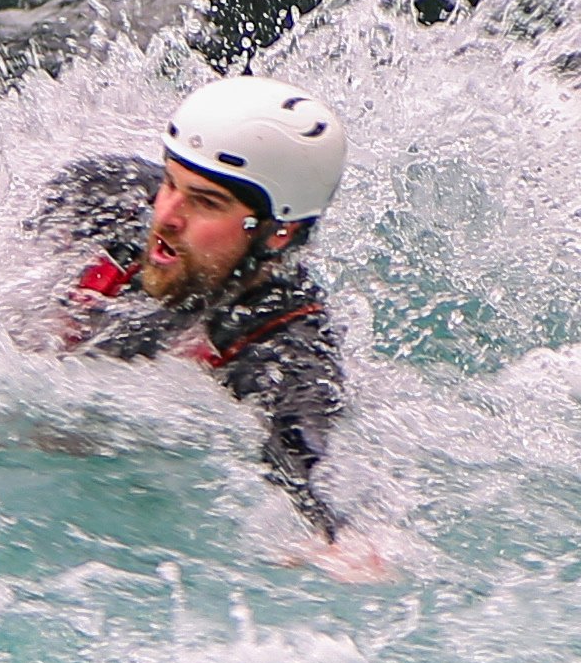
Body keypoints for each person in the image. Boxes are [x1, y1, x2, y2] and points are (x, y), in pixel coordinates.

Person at [32, 76, 394, 579]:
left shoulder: (280, 340)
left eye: (205, 202)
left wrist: (339, 536)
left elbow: (302, 446)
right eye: (169, 182)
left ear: (280, 232)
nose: (165, 216)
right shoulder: (105, 195)